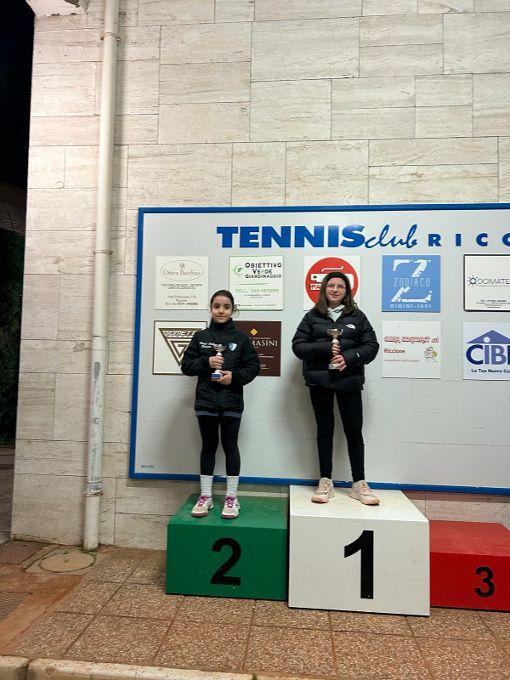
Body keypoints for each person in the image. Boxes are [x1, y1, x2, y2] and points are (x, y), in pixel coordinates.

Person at [292, 271, 380, 505]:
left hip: (349, 382)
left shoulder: (357, 316)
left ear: (346, 291)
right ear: (324, 289)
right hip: (319, 382)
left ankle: (359, 483)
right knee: (324, 431)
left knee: (354, 432)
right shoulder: (312, 316)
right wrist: (324, 349)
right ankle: (325, 481)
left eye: (340, 286)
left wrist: (348, 358)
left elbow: (371, 346)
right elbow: (298, 346)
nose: (335, 289)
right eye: (331, 285)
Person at [181, 290, 260, 519]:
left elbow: (254, 367)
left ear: (233, 309)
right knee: (208, 446)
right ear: (211, 309)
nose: (221, 311)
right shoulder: (200, 337)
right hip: (206, 402)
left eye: (226, 307)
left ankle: (232, 497)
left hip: (231, 402)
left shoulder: (241, 339)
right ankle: (206, 495)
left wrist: (233, 377)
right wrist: (206, 361)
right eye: (217, 306)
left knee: (230, 446)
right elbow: (186, 366)